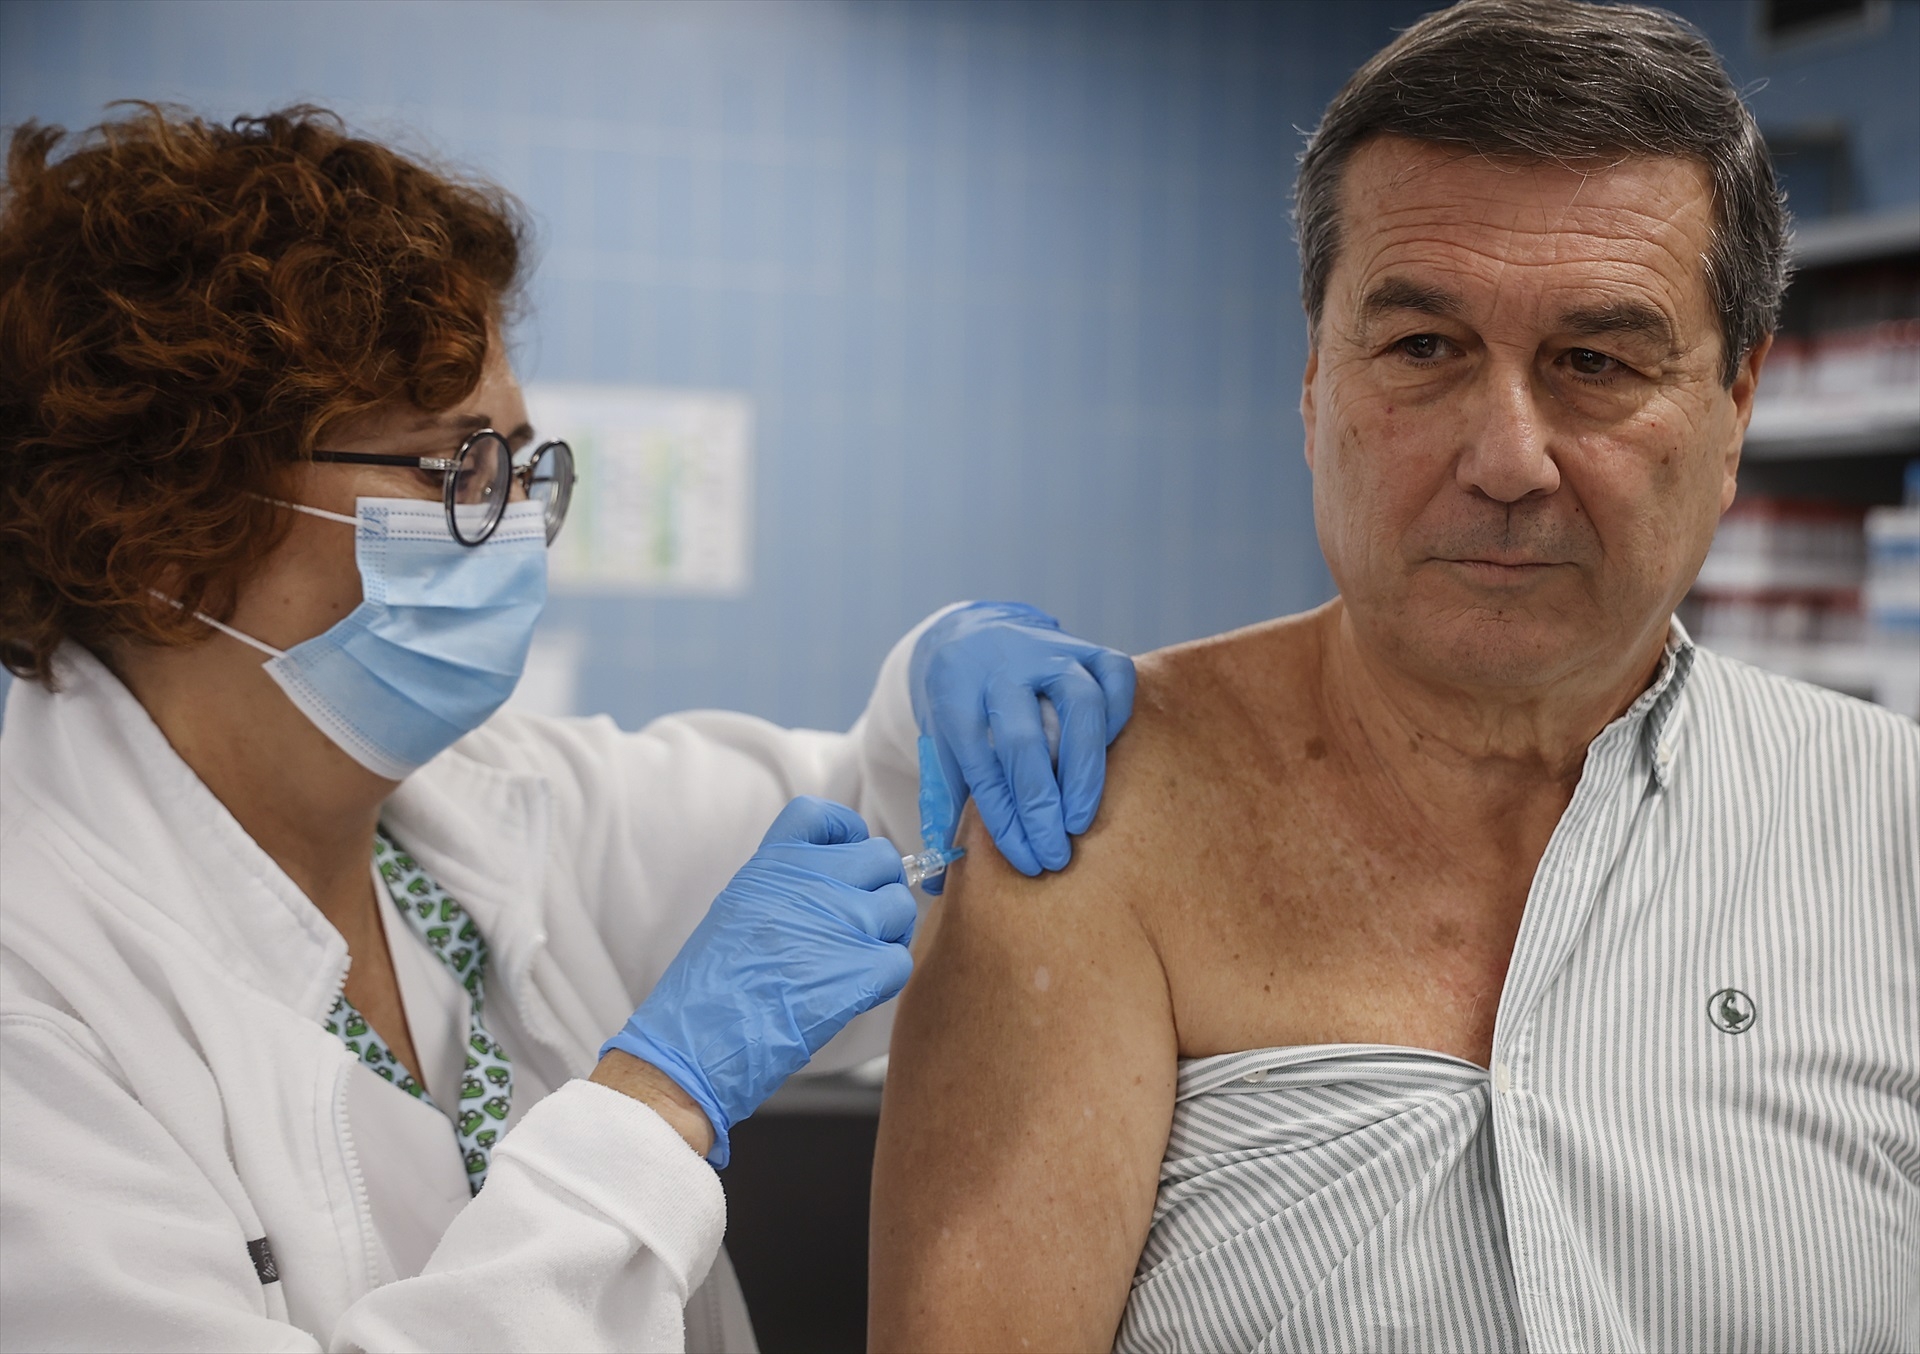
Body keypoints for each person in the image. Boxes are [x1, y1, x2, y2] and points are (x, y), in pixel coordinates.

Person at [869, 2, 1920, 1350]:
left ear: (1736, 412)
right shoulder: (1091, 829)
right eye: (1424, 349)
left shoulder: (1888, 828)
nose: (1506, 457)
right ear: (1315, 385)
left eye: (1595, 362)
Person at [0, 105, 1136, 1351]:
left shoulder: (477, 814)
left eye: (516, 462)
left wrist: (942, 685)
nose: (515, 526)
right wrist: (652, 1104)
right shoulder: (38, 990)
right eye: (449, 470)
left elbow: (876, 840)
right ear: (161, 522)